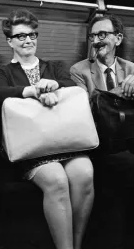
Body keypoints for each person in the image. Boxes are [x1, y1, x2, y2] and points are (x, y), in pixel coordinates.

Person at [0, 9, 94, 249]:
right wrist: (31, 91)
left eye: (32, 35)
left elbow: (73, 88)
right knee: (57, 179)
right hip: (32, 146)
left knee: (84, 173)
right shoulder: (3, 72)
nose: (28, 40)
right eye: (21, 36)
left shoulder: (54, 67)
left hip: (65, 140)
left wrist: (54, 85)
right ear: (10, 41)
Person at [70, 14, 134, 249]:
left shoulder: (131, 69)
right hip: (99, 143)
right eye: (93, 36)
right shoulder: (80, 70)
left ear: (118, 38)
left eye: (103, 34)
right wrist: (122, 90)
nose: (97, 40)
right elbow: (86, 107)